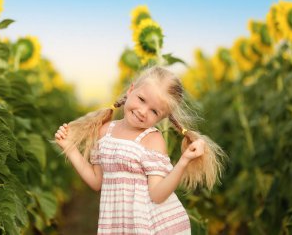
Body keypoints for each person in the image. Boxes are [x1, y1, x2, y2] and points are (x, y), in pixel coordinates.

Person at [54, 66, 225, 234]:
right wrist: (70, 148)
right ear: (131, 90)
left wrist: (183, 161)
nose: (143, 112)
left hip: (147, 225)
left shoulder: (152, 140)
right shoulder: (105, 131)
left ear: (163, 117)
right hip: (116, 224)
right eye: (142, 100)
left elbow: (157, 195)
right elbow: (97, 182)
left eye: (154, 111)